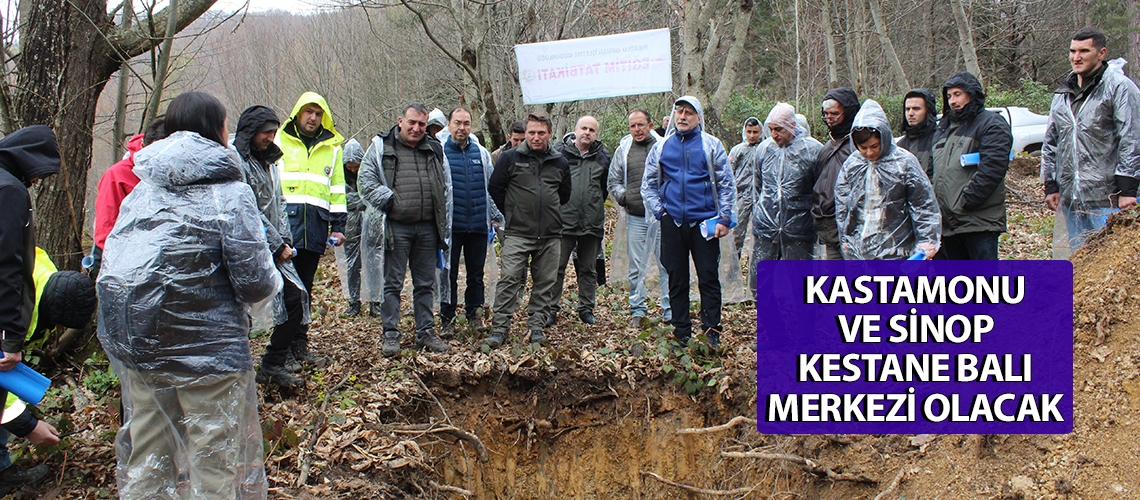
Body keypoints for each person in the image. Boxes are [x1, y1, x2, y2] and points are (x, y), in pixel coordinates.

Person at [96, 91, 281, 499]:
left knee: (147, 458)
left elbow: (115, 268)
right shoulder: (229, 193)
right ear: (217, 129)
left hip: (142, 349)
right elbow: (255, 283)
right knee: (213, 461)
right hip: (211, 357)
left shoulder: (143, 189)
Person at [358, 103, 453, 357]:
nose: (416, 128)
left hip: (427, 228)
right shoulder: (382, 146)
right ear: (400, 121)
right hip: (396, 226)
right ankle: (390, 334)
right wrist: (389, 200)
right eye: (412, 122)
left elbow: (446, 187)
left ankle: (425, 332)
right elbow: (365, 181)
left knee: (425, 283)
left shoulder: (434, 148)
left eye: (422, 124)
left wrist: (443, 223)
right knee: (392, 283)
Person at [0, 125, 65, 495]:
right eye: (41, 172)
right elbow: (8, 264)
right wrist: (11, 336)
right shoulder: (10, 190)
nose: (39, 181)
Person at [642, 96, 734, 349]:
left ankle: (712, 331)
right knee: (676, 277)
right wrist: (661, 212)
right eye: (679, 112)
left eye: (689, 113)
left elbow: (726, 183)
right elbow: (648, 184)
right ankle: (681, 332)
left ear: (698, 117)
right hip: (673, 222)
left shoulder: (711, 145)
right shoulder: (661, 147)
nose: (682, 116)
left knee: (708, 276)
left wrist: (724, 218)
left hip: (705, 222)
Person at [1042, 27, 1140, 254]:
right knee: (1080, 267)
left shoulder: (1119, 88)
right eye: (1072, 51)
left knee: (1113, 269)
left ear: (1101, 53)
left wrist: (1127, 189)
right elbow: (1051, 141)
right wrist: (1051, 184)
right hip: (1072, 200)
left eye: (1084, 51)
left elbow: (1132, 138)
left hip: (1110, 199)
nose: (1076, 57)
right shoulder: (1062, 94)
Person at [233, 105, 309, 388]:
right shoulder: (238, 161)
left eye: (273, 132)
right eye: (266, 132)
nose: (270, 138)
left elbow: (278, 202)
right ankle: (244, 372)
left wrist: (285, 240)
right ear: (251, 132)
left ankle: (272, 365)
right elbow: (247, 209)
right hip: (248, 247)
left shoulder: (269, 162)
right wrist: (275, 244)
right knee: (244, 312)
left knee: (294, 299)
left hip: (274, 244)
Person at [487, 113, 571, 347]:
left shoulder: (560, 161)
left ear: (550, 134)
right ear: (526, 133)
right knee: (510, 279)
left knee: (545, 282)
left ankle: (536, 327)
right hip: (517, 233)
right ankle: (500, 328)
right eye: (531, 132)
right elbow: (495, 187)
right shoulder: (510, 158)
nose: (536, 137)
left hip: (550, 234)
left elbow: (565, 194)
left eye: (541, 133)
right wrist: (512, 211)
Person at [279, 92, 345, 364]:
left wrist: (339, 226)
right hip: (285, 229)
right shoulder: (279, 141)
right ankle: (280, 349)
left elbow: (338, 190)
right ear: (298, 113)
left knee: (305, 289)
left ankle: (299, 345)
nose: (313, 118)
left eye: (318, 114)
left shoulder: (332, 148)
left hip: (315, 228)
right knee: (285, 291)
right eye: (308, 112)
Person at [835, 100, 941, 260]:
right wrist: (846, 236)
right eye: (863, 148)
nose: (869, 153)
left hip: (898, 249)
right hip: (860, 249)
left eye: (874, 146)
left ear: (883, 137)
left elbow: (923, 204)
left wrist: (927, 240)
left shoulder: (903, 162)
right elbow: (843, 206)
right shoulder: (852, 165)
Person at [931, 72, 1013, 260]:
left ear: (972, 94)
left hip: (977, 220)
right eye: (949, 96)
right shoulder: (944, 128)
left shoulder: (991, 123)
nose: (952, 101)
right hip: (948, 223)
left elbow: (993, 168)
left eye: (958, 94)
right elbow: (934, 170)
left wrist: (966, 201)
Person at [440, 107, 503, 329]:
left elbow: (491, 187)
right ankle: (446, 319)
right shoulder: (440, 153)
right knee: (448, 275)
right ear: (448, 125)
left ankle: (474, 316)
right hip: (451, 227)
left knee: (476, 275)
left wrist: (495, 218)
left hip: (477, 225)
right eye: (457, 123)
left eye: (466, 123)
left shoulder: (481, 153)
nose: (462, 128)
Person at [608, 109, 670, 327]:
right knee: (636, 265)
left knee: (666, 263)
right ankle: (637, 309)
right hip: (635, 217)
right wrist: (624, 197)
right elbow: (613, 179)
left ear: (651, 125)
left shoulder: (664, 146)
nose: (637, 129)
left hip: (662, 216)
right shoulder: (623, 149)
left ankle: (669, 310)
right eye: (633, 126)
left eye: (641, 124)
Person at [552, 116, 609, 325]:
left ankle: (586, 309)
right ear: (575, 130)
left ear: (596, 134)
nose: (587, 132)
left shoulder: (602, 156)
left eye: (592, 130)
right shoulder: (559, 153)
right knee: (556, 267)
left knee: (588, 269)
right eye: (584, 128)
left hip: (591, 223)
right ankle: (551, 308)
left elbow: (603, 189)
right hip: (563, 221)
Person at [750, 103, 823, 268]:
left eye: (779, 129)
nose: (774, 134)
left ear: (792, 125)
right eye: (771, 129)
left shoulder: (812, 150)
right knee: (763, 282)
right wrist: (760, 216)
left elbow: (820, 191)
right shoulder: (764, 149)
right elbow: (758, 187)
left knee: (799, 281)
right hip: (766, 229)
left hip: (800, 228)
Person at [91, 118, 166, 275]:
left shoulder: (175, 174)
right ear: (144, 147)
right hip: (123, 262)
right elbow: (105, 231)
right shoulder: (117, 176)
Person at [811, 88, 861, 260]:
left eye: (835, 114)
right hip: (828, 227)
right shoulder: (827, 146)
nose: (829, 119)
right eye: (826, 114)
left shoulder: (858, 146)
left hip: (852, 228)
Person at [339, 139, 369, 317]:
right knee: (352, 266)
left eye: (355, 166)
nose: (352, 170)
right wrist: (361, 200)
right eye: (349, 167)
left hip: (368, 226)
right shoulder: (339, 179)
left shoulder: (368, 174)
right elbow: (340, 199)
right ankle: (354, 302)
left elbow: (372, 196)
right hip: (349, 228)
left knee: (373, 264)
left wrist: (359, 200)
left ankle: (375, 301)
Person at [729, 116, 766, 261]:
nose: (752, 135)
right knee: (737, 232)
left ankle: (756, 265)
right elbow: (728, 172)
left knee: (760, 233)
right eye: (749, 131)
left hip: (761, 196)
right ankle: (734, 267)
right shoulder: (738, 150)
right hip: (741, 196)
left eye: (755, 132)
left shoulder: (765, 149)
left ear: (761, 132)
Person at [897, 89, 938, 178]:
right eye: (908, 109)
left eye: (916, 109)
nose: (910, 113)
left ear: (928, 111)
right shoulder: (900, 146)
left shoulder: (940, 140)